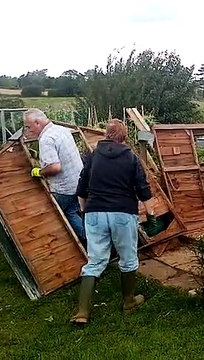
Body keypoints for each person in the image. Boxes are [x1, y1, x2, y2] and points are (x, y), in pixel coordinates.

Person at [71, 119, 154, 324]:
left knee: (95, 260)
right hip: (123, 213)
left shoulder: (92, 156)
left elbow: (81, 188)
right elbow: (142, 189)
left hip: (95, 212)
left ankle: (82, 312)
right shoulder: (131, 158)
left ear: (106, 135)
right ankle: (128, 301)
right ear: (124, 137)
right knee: (127, 257)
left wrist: (83, 210)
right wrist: (151, 214)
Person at [23, 108, 86, 245]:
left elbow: (55, 167)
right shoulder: (61, 129)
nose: (29, 130)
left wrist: (39, 172)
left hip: (64, 189)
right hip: (78, 183)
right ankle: (94, 243)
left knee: (50, 217)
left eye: (29, 126)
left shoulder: (46, 139)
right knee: (71, 212)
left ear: (37, 122)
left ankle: (52, 246)